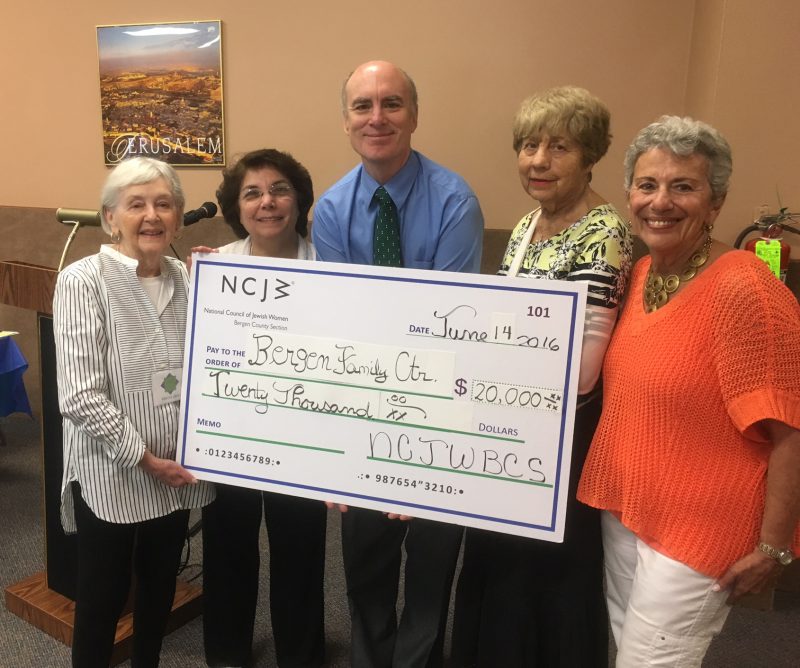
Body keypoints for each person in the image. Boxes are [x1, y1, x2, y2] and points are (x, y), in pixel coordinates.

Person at [577, 116, 800, 667]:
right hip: (628, 509)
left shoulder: (746, 288)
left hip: (702, 526)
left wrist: (774, 546)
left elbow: (791, 428)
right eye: (648, 185)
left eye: (684, 186)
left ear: (716, 201)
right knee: (626, 645)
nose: (661, 202)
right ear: (630, 193)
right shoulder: (642, 273)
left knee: (651, 661)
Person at [450, 86, 632, 667]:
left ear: (591, 154)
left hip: (559, 438)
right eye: (529, 145)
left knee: (545, 580)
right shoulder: (530, 224)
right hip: (506, 424)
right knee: (495, 565)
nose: (538, 160)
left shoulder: (605, 232)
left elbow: (579, 371)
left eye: (559, 147)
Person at [312, 60, 484, 668]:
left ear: (414, 115)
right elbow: (342, 326)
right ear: (346, 120)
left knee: (433, 563)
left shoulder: (455, 201)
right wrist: (341, 450)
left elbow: (450, 322)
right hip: (363, 415)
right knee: (365, 562)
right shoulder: (331, 210)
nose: (377, 118)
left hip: (440, 413)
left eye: (391, 104)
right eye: (363, 106)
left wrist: (415, 439)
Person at [53, 157, 215, 668]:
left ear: (179, 216)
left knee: (159, 589)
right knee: (102, 598)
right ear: (109, 218)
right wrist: (144, 458)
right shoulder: (83, 281)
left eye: (164, 204)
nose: (151, 215)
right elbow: (79, 394)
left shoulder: (192, 283)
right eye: (136, 204)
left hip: (178, 470)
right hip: (112, 471)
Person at [197, 149, 326, 668]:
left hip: (304, 436)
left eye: (279, 190)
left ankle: (301, 654)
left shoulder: (330, 266)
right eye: (252, 193)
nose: (267, 202)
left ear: (299, 200)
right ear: (235, 206)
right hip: (233, 435)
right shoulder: (215, 268)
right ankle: (226, 653)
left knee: (300, 549)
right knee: (228, 547)